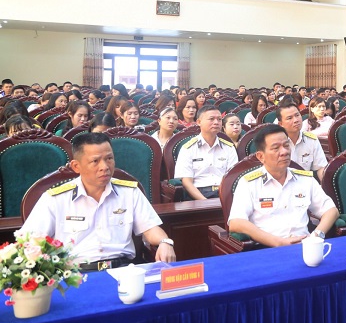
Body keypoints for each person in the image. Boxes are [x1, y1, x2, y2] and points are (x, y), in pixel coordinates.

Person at [19, 132, 176, 269]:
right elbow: (29, 242)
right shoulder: (55, 199)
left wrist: (165, 242)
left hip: (123, 270)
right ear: (76, 166)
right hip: (74, 274)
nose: (105, 166)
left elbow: (150, 228)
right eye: (95, 161)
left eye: (109, 158)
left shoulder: (129, 192)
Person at [227, 125, 339, 247]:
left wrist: (316, 236)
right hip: (268, 248)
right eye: (276, 148)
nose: (284, 152)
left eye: (286, 145)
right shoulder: (249, 183)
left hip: (305, 246)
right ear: (261, 156)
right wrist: (277, 242)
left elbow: (331, 210)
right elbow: (236, 222)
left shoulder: (305, 179)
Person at [174, 105, 238, 200]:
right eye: (211, 119)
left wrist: (225, 200)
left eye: (219, 119)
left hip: (224, 194)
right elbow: (187, 182)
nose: (216, 122)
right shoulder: (188, 148)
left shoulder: (229, 147)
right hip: (197, 195)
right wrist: (204, 201)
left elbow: (233, 178)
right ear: (199, 122)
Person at [277, 99, 327, 181]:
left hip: (305, 184)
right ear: (280, 124)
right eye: (289, 118)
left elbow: (321, 168)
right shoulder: (275, 143)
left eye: (297, 115)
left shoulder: (311, 140)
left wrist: (325, 185)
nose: (296, 120)